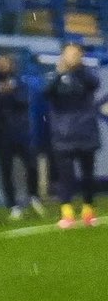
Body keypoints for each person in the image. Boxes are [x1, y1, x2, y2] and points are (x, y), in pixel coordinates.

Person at [44, 43, 100, 230]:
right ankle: (67, 212)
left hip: (85, 131)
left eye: (75, 53)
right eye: (68, 53)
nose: (71, 57)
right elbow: (46, 92)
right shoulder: (54, 75)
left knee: (87, 174)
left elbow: (94, 84)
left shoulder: (86, 74)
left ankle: (88, 210)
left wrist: (79, 68)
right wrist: (60, 73)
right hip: (62, 133)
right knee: (65, 176)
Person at [0, 54, 37, 219]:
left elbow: (24, 102)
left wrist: (10, 93)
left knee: (31, 165)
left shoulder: (19, 82)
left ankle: (33, 196)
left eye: (6, 63)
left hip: (21, 133)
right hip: (1, 134)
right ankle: (12, 205)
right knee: (6, 171)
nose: (3, 66)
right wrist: (0, 96)